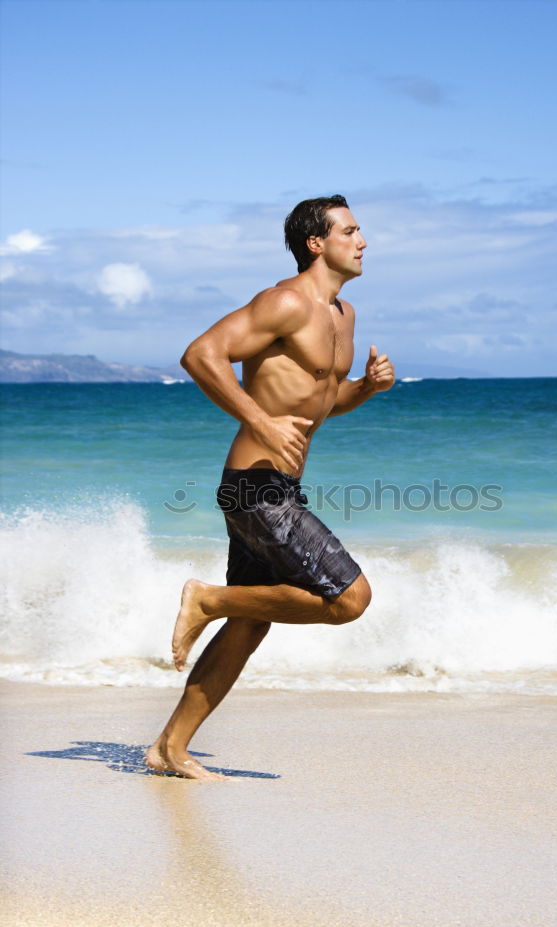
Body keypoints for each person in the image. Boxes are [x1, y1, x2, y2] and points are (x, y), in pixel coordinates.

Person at [146, 195, 395, 780]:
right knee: (349, 599)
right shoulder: (284, 302)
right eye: (351, 231)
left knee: (252, 623)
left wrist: (366, 388)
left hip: (278, 487)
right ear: (317, 242)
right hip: (255, 487)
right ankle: (206, 599)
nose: (363, 241)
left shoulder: (343, 316)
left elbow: (319, 406)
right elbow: (200, 354)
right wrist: (258, 420)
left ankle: (168, 748)